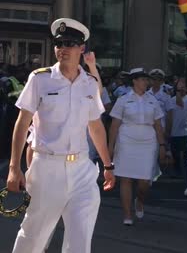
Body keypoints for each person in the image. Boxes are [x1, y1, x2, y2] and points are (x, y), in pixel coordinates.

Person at [6, 17, 115, 253]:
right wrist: (14, 167)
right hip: (47, 169)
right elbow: (22, 123)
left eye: (68, 43)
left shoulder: (89, 83)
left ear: (81, 48)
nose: (62, 49)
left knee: (80, 242)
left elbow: (95, 126)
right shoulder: (40, 78)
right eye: (58, 43)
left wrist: (108, 165)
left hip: (83, 171)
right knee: (33, 237)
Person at [108, 67, 166, 225]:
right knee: (125, 178)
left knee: (144, 181)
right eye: (142, 79)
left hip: (148, 143)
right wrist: (110, 146)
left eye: (146, 79)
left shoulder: (152, 99)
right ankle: (127, 214)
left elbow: (158, 124)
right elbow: (114, 125)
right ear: (134, 81)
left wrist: (162, 145)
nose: (145, 82)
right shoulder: (123, 99)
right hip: (127, 141)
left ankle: (139, 201)